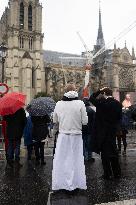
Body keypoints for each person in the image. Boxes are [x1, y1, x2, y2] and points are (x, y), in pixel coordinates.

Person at [52, 83, 88, 191]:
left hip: (63, 135)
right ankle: (75, 183)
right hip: (76, 135)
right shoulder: (80, 103)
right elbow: (85, 121)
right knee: (76, 160)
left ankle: (63, 183)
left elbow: (55, 120)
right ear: (75, 91)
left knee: (63, 160)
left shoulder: (59, 103)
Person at [89, 87, 122, 180]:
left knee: (104, 154)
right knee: (113, 151)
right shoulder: (118, 104)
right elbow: (119, 118)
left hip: (102, 132)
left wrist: (99, 90)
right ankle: (117, 173)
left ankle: (107, 174)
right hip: (112, 131)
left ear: (104, 94)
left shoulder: (101, 104)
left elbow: (91, 98)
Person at [82, 98, 95, 162]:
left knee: (83, 144)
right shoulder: (91, 110)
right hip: (89, 130)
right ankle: (90, 157)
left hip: (82, 130)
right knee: (89, 144)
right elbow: (94, 121)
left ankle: (84, 157)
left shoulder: (80, 110)